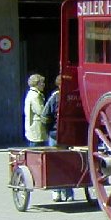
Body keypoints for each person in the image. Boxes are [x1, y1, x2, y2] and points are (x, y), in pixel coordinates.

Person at [43, 74, 74, 202]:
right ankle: (69, 192)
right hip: (70, 134)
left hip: (56, 134)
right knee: (68, 162)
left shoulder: (54, 97)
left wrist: (49, 130)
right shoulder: (73, 96)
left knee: (55, 162)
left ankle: (56, 192)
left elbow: (45, 116)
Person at [23, 73, 48, 147]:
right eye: (41, 82)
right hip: (37, 129)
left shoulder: (30, 93)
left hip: (32, 128)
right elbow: (40, 111)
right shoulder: (36, 95)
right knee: (37, 151)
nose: (43, 84)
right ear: (36, 83)